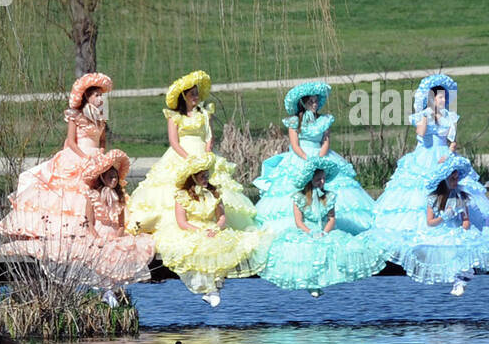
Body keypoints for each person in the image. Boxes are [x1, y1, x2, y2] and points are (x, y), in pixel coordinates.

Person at [0, 149, 155, 306]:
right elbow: (89, 221)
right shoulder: (93, 196)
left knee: (119, 253)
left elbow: (120, 224)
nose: (114, 180)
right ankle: (104, 291)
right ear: (103, 178)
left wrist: (118, 235)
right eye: (110, 177)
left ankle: (110, 291)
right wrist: (96, 237)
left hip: (113, 234)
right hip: (97, 233)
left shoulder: (119, 199)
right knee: (96, 253)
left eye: (115, 177)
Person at [127, 70, 258, 233]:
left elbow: (209, 134)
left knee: (212, 183)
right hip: (182, 153)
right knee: (176, 186)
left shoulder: (204, 113)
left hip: (202, 151)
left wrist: (208, 149)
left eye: (197, 94)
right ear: (184, 96)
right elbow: (174, 141)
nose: (195, 97)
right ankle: (180, 222)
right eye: (192, 94)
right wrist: (188, 158)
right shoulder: (175, 116)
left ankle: (216, 220)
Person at [372, 73, 489, 237]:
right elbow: (421, 132)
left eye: (444, 97)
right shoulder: (423, 115)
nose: (443, 100)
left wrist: (449, 153)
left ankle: (458, 219)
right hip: (425, 154)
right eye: (440, 97)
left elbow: (452, 141)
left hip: (443, 154)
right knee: (422, 187)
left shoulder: (448, 117)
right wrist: (425, 116)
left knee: (453, 183)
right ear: (432, 98)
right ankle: (424, 223)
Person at [368, 155, 489, 295]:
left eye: (457, 178)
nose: (455, 181)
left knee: (466, 248)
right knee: (435, 249)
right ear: (444, 179)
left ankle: (461, 280)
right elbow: (430, 222)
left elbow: (466, 220)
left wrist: (464, 230)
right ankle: (454, 278)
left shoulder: (461, 197)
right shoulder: (433, 199)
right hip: (440, 230)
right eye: (452, 178)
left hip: (457, 230)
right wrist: (444, 217)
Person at [0, 72, 112, 241]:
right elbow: (71, 141)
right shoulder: (76, 117)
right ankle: (72, 227)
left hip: (95, 157)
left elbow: (102, 141)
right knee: (72, 192)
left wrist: (101, 153)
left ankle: (99, 227)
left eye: (101, 96)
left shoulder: (100, 120)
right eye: (97, 95)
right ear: (87, 96)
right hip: (78, 156)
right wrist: (84, 157)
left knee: (100, 191)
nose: (100, 99)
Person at [252, 81, 376, 233]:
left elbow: (325, 141)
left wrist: (320, 158)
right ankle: (304, 225)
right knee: (294, 187)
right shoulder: (294, 122)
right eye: (311, 101)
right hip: (300, 157)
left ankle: (329, 223)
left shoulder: (324, 120)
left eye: (316, 100)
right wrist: (306, 158)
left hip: (321, 154)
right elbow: (295, 144)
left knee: (332, 185)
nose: (314, 104)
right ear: (303, 102)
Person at [151, 154, 269, 307]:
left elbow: (221, 218)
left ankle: (214, 289)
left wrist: (216, 228)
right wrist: (199, 230)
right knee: (196, 249)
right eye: (202, 176)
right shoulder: (182, 196)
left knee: (224, 247)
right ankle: (209, 289)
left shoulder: (214, 193)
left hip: (211, 227)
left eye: (207, 175)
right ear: (193, 178)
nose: (206, 179)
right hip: (191, 229)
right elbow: (182, 222)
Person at [259, 156, 387, 296]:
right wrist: (310, 232)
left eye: (324, 179)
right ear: (311, 180)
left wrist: (324, 232)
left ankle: (321, 280)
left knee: (336, 246)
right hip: (306, 230)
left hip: (323, 230)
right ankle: (310, 282)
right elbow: (299, 222)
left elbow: (331, 219)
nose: (322, 182)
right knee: (299, 248)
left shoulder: (329, 196)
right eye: (319, 179)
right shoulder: (299, 198)